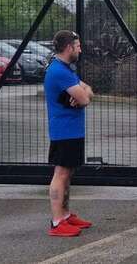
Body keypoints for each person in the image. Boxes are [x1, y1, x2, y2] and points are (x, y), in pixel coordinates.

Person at [44, 30, 94, 237]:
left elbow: (88, 91)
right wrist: (83, 95)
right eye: (78, 45)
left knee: (68, 172)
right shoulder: (59, 72)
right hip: (63, 131)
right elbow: (84, 99)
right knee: (61, 173)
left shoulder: (67, 69)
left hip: (72, 130)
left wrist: (83, 93)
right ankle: (57, 221)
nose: (80, 49)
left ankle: (65, 215)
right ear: (68, 48)